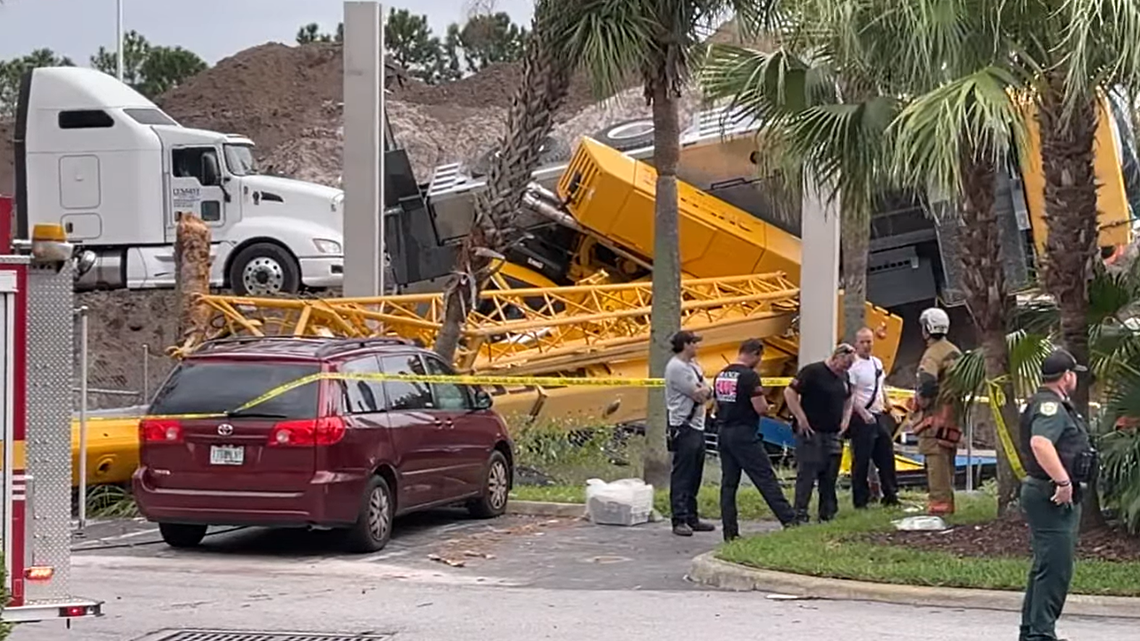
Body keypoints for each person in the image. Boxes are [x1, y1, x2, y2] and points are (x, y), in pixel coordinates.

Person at [1019, 349, 1096, 641]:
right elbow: (1040, 443)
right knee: (1055, 570)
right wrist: (1063, 483)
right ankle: (1041, 634)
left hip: (1045, 492)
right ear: (1067, 377)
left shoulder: (1047, 403)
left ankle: (1033, 633)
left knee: (1046, 567)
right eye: (1074, 373)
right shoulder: (1049, 407)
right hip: (1051, 495)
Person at [712, 339, 797, 540]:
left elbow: (716, 405)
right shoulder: (750, 377)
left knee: (728, 483)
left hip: (724, 431)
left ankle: (730, 532)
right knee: (765, 477)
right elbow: (759, 408)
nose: (759, 362)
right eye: (760, 357)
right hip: (744, 432)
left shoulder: (721, 374)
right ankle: (790, 520)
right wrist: (769, 408)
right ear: (756, 354)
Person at [784, 343, 856, 523]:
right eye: (844, 364)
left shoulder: (844, 377)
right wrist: (800, 417)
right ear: (836, 357)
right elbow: (789, 392)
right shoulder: (812, 372)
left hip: (833, 433)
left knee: (829, 476)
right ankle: (800, 513)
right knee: (807, 475)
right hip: (811, 431)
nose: (845, 368)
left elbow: (849, 397)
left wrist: (846, 419)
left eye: (849, 366)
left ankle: (827, 513)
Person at [907, 307, 962, 516]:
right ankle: (948, 503)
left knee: (936, 463)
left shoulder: (932, 354)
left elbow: (927, 383)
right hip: (952, 418)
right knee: (947, 463)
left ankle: (939, 508)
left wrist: (921, 402)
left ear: (926, 329)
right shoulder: (954, 350)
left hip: (934, 419)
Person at [665, 330, 715, 537]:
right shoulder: (677, 368)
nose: (697, 346)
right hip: (684, 426)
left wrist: (706, 390)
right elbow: (700, 394)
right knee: (682, 474)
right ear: (685, 344)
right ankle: (679, 519)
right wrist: (705, 390)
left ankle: (692, 516)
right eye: (694, 343)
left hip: (697, 425)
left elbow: (708, 389)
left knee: (695, 473)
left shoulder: (694, 366)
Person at [848, 327, 899, 508]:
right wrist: (862, 412)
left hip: (878, 414)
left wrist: (890, 407)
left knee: (886, 455)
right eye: (862, 342)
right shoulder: (853, 366)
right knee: (861, 459)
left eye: (869, 341)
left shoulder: (877, 363)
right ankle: (860, 500)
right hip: (861, 417)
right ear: (856, 343)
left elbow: (880, 388)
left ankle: (891, 495)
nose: (866, 345)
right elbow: (851, 395)